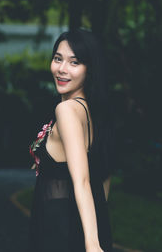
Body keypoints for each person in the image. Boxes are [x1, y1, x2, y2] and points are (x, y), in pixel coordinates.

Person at [28, 28, 114, 252]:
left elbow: (83, 180)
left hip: (59, 230)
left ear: (90, 69)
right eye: (58, 59)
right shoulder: (92, 112)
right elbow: (104, 177)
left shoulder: (66, 110)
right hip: (72, 226)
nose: (62, 69)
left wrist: (92, 244)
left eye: (74, 62)